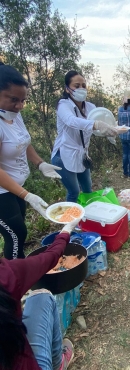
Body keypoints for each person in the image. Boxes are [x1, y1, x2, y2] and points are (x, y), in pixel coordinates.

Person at [0, 216, 80, 370]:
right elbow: (49, 257)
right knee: (42, 296)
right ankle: (57, 369)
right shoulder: (5, 276)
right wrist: (66, 231)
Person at [0, 63, 62, 260]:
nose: (19, 106)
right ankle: (13, 282)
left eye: (23, 100)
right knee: (15, 234)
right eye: (13, 100)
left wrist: (40, 163)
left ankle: (18, 269)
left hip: (16, 187)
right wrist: (28, 196)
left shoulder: (14, 116)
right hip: (2, 192)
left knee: (20, 231)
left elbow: (23, 142)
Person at [51, 70, 118, 202]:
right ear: (67, 89)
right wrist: (97, 124)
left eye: (83, 85)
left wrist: (110, 129)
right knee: (74, 191)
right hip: (63, 155)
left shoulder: (90, 107)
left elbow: (96, 127)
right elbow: (72, 121)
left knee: (88, 189)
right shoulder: (63, 105)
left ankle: (89, 218)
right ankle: (73, 222)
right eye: (77, 86)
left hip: (82, 155)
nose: (81, 88)